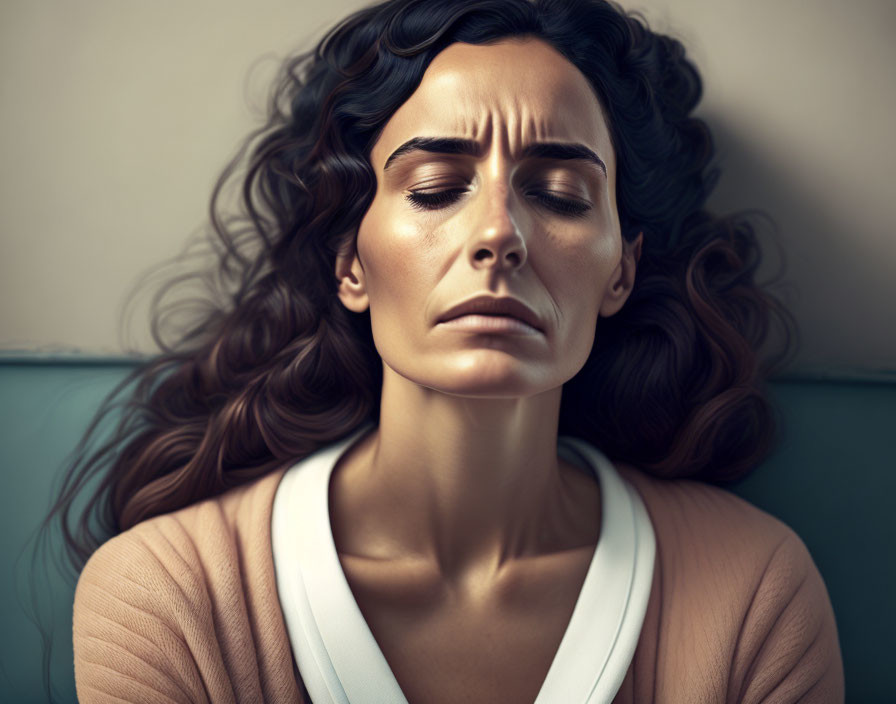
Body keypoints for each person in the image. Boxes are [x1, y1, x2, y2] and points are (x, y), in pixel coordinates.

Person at [57, 0, 844, 701]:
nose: (499, 233)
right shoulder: (168, 598)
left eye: (560, 196)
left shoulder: (753, 592)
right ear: (350, 264)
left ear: (620, 271)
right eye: (435, 188)